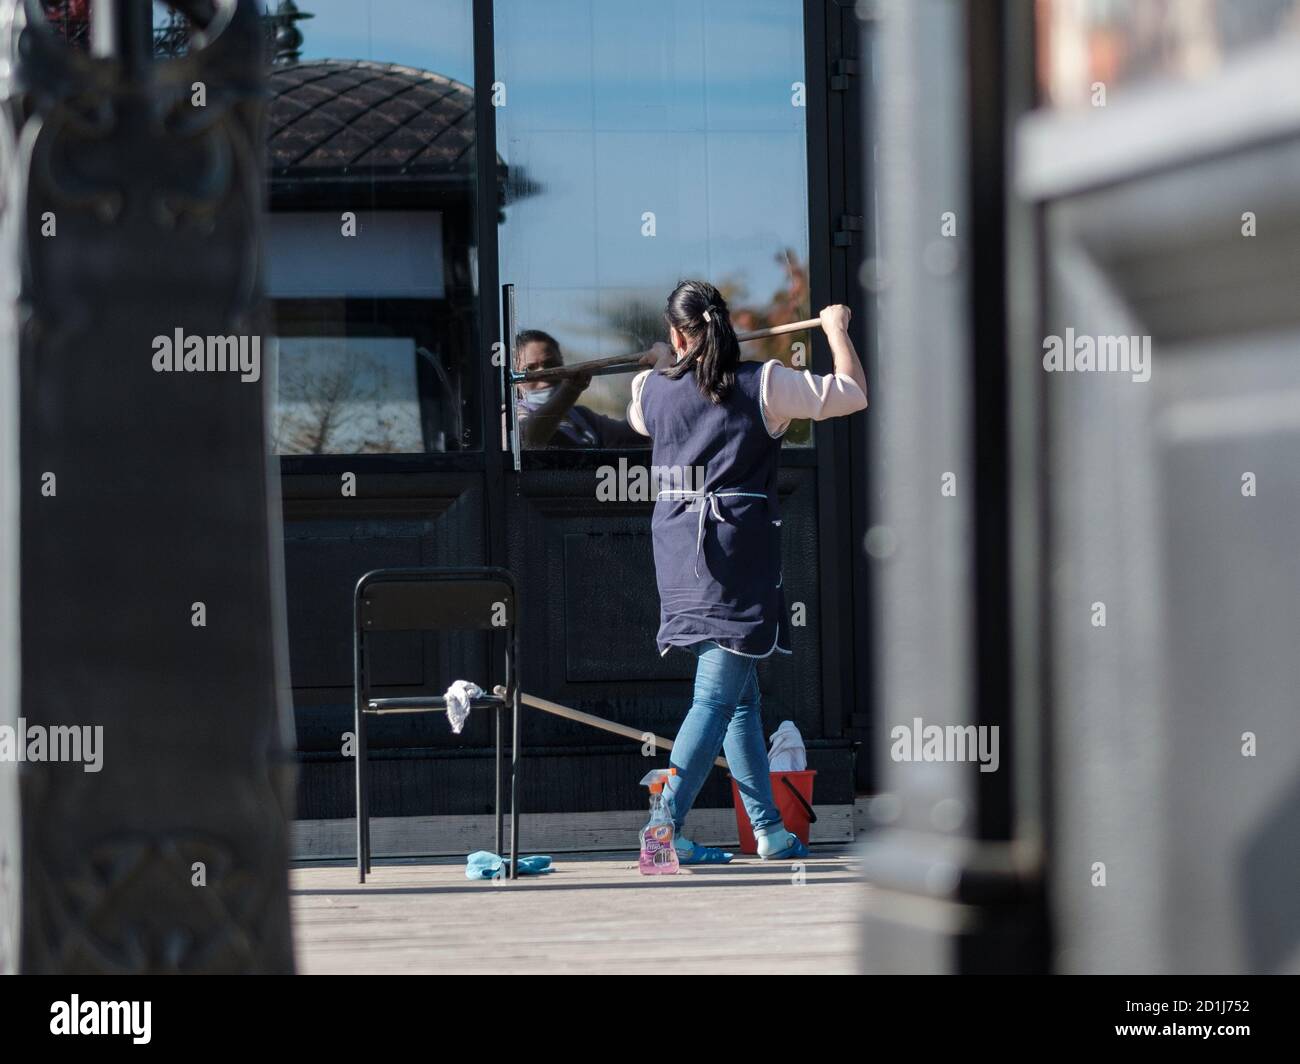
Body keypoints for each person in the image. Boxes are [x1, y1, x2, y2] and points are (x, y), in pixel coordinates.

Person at [626, 280, 868, 863]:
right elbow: (851, 393)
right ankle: (664, 830)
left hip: (679, 555)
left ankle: (769, 830)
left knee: (740, 700)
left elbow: (647, 400)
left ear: (678, 334)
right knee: (714, 698)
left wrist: (663, 363)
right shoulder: (766, 383)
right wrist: (835, 329)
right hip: (734, 558)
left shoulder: (647, 391)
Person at [514, 330, 653, 448]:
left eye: (551, 365)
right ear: (516, 379)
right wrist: (570, 391)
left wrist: (654, 381)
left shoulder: (580, 416)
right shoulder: (511, 415)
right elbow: (528, 439)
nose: (543, 375)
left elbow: (632, 435)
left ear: (562, 364)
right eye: (530, 369)